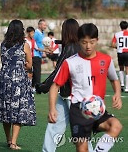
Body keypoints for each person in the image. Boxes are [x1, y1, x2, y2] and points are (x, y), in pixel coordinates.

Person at [49, 23, 122, 152]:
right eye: (84, 42)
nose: (88, 46)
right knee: (82, 148)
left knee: (115, 126)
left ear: (97, 40)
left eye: (92, 42)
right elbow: (55, 86)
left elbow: (114, 79)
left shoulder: (106, 60)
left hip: (98, 108)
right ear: (79, 41)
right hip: (78, 110)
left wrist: (117, 93)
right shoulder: (70, 62)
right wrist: (52, 108)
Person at [0, 20, 36, 150]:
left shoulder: (3, 44)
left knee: (5, 109)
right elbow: (29, 64)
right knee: (18, 109)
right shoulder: (24, 45)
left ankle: (8, 139)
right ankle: (14, 143)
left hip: (4, 77)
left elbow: (3, 60)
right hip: (19, 79)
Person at [41, 19, 81, 152]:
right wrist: (55, 42)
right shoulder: (74, 46)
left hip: (72, 96)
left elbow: (57, 73)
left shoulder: (70, 48)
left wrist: (43, 86)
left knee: (80, 134)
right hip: (67, 94)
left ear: (67, 31)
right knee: (54, 126)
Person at [112, 21, 128, 92]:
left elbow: (113, 44)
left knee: (121, 68)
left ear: (120, 26)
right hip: (127, 52)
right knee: (127, 70)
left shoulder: (117, 34)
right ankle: (127, 87)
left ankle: (122, 84)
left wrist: (118, 48)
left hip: (120, 53)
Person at [32, 19, 47, 91]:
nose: (45, 26)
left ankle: (33, 86)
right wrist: (43, 50)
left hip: (39, 54)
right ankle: (37, 87)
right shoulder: (36, 33)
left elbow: (41, 44)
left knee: (36, 71)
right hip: (35, 54)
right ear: (39, 25)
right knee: (37, 71)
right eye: (44, 25)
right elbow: (33, 43)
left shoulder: (42, 33)